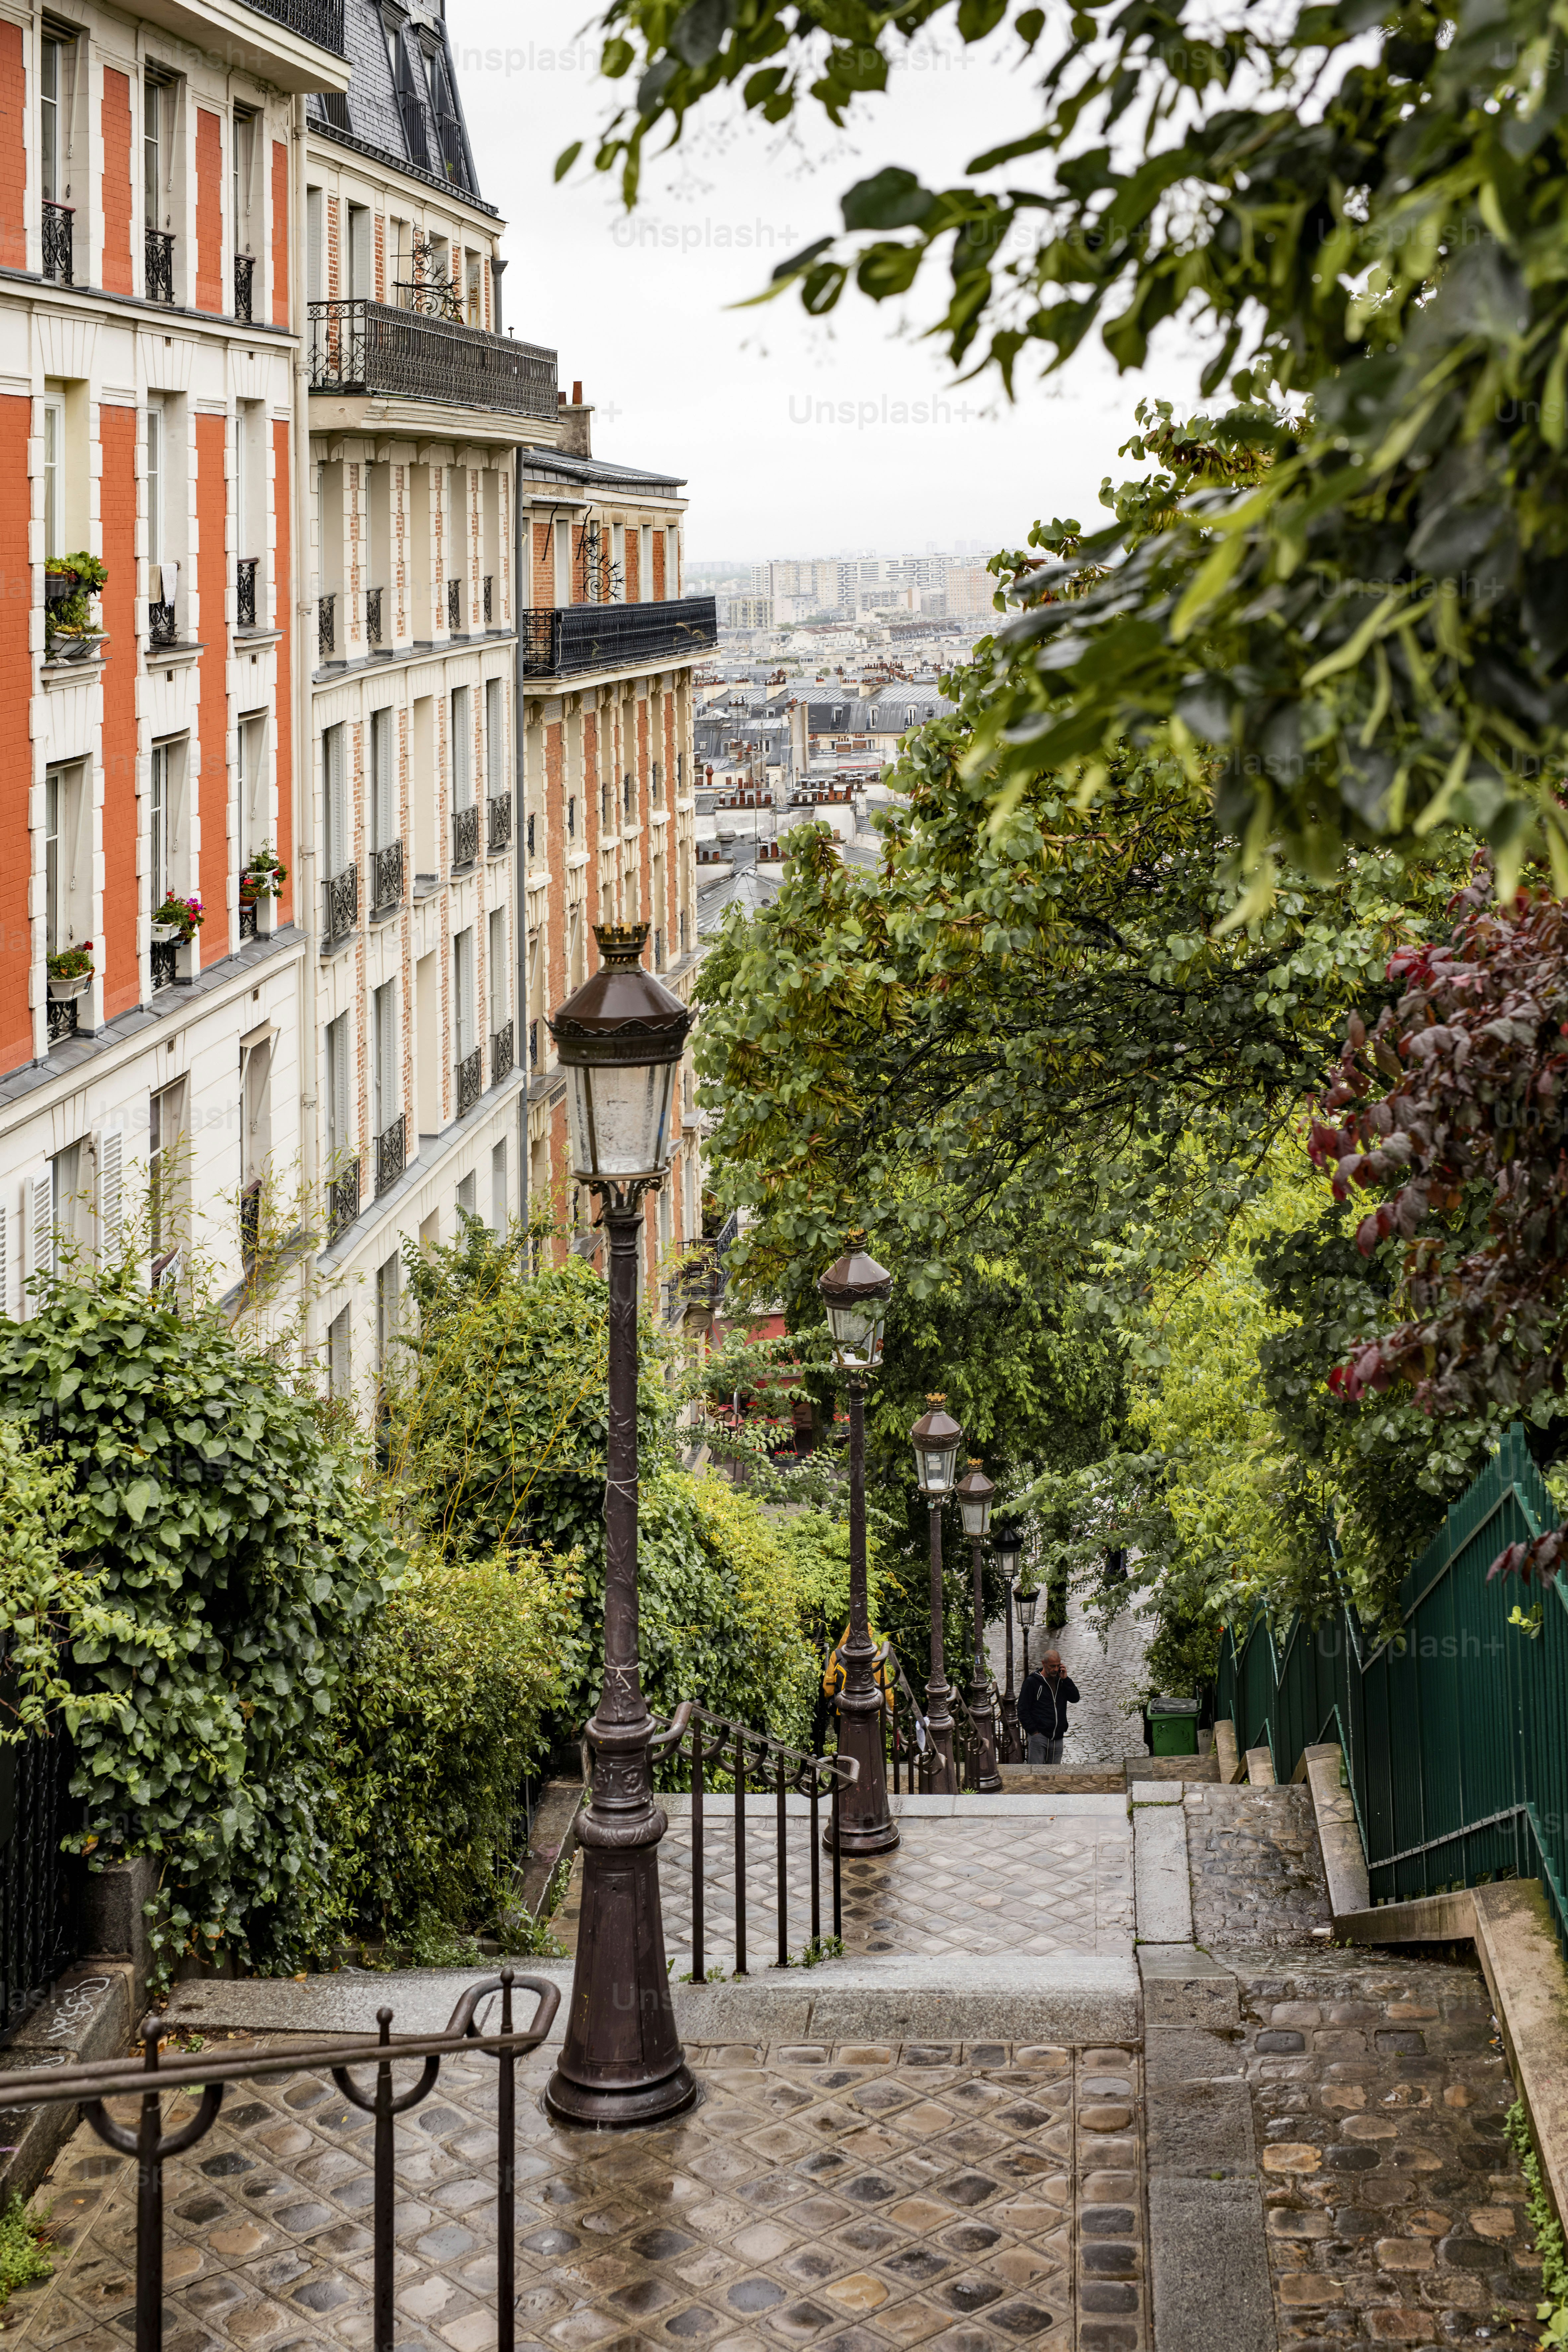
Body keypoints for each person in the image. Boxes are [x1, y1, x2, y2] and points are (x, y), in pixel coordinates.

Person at [1017, 1649, 1079, 1764]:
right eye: (1052, 1666)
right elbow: (1022, 1710)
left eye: (1058, 1666)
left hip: (1058, 1737)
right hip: (1039, 1737)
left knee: (1054, 1774)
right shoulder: (1032, 1682)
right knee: (1037, 1773)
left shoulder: (1061, 1681)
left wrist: (1066, 1679)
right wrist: (1034, 1732)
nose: (1056, 1669)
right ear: (1044, 1663)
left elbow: (1075, 1699)